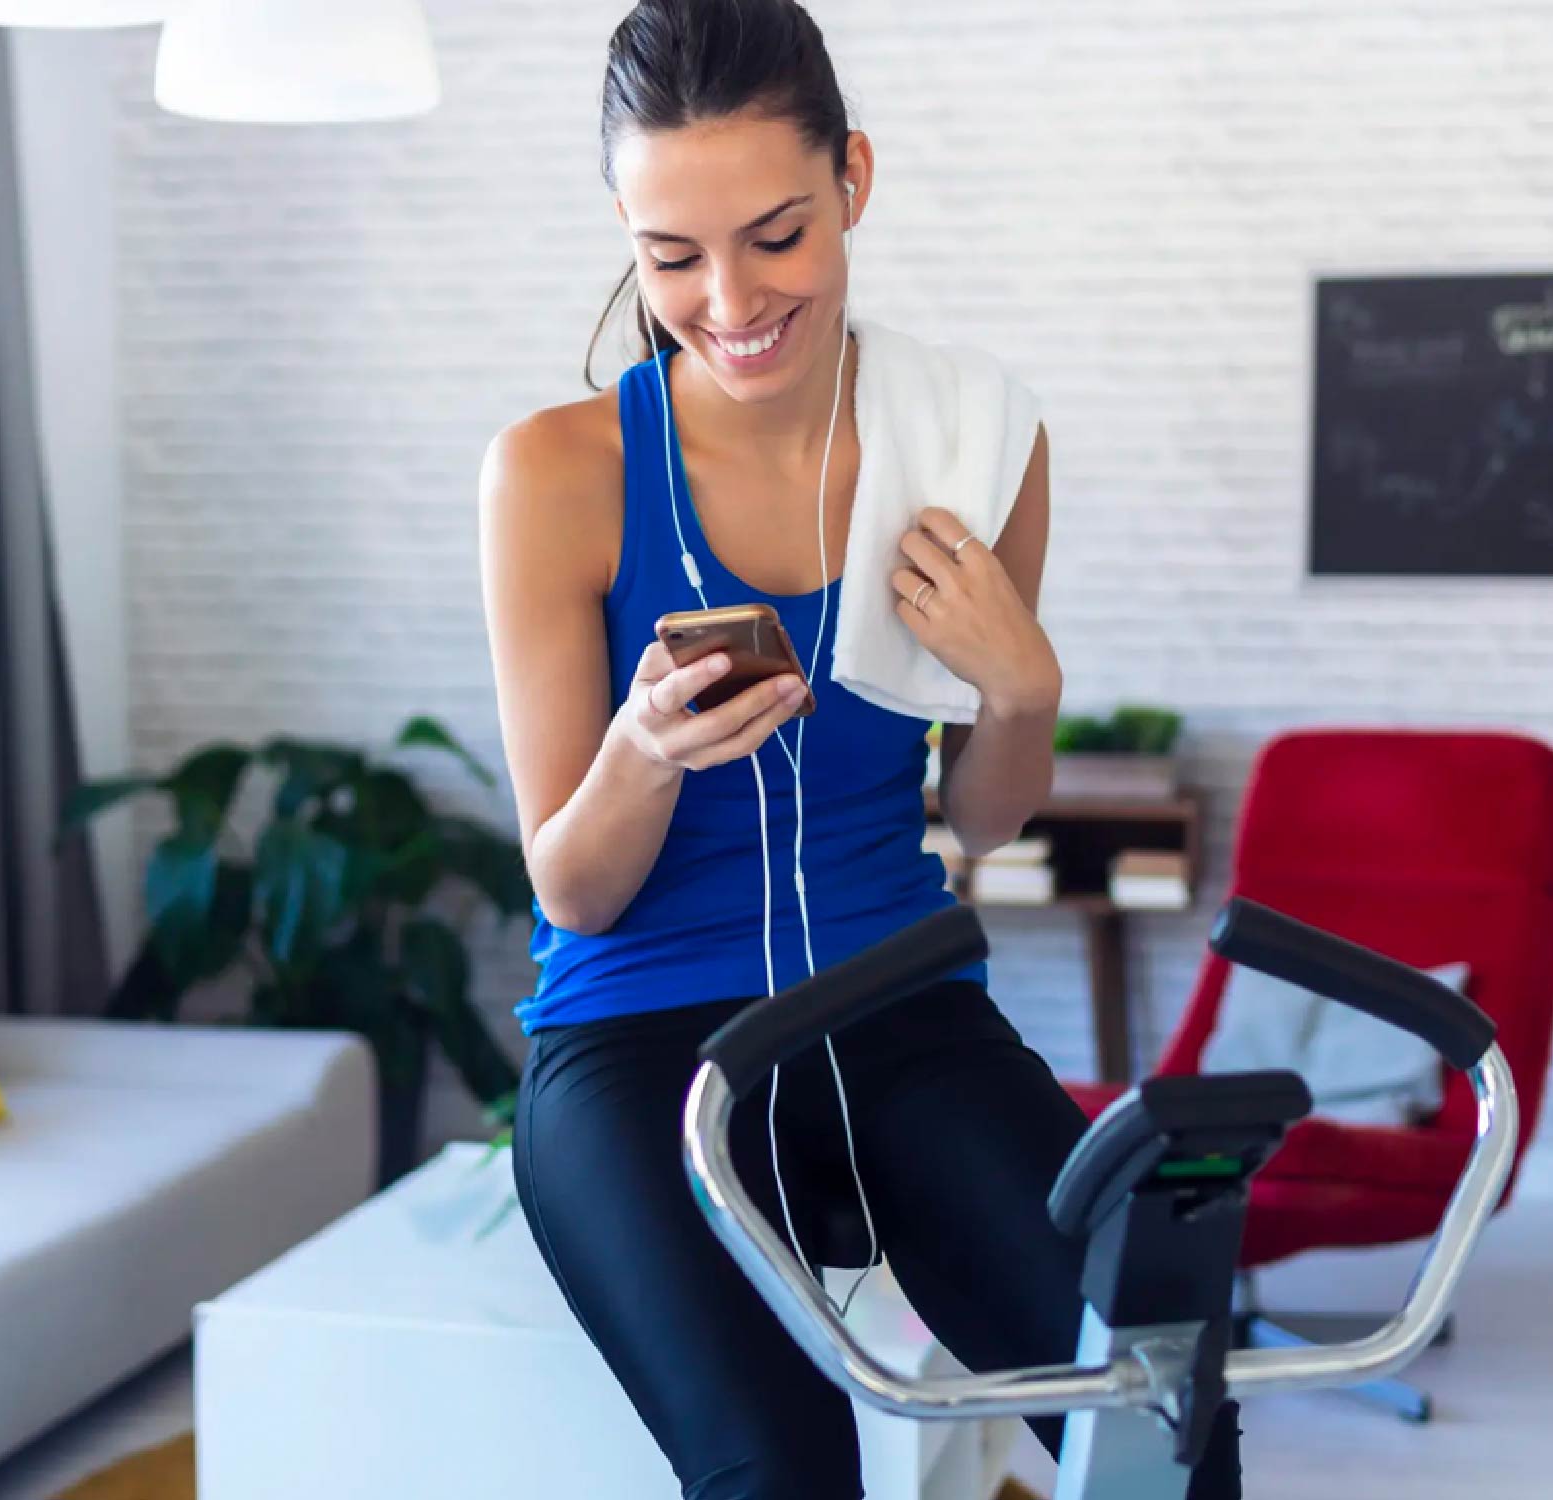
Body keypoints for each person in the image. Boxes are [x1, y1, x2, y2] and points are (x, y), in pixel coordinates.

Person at [477, 3, 1237, 1495]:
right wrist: (642, 748)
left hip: (897, 1008)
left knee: (1163, 1423)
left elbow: (986, 821)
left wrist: (1021, 693)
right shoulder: (556, 474)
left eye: (774, 234)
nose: (729, 299)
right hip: (641, 1046)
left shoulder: (970, 441)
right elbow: (570, 890)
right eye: (670, 255)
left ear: (853, 183)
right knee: (780, 1469)